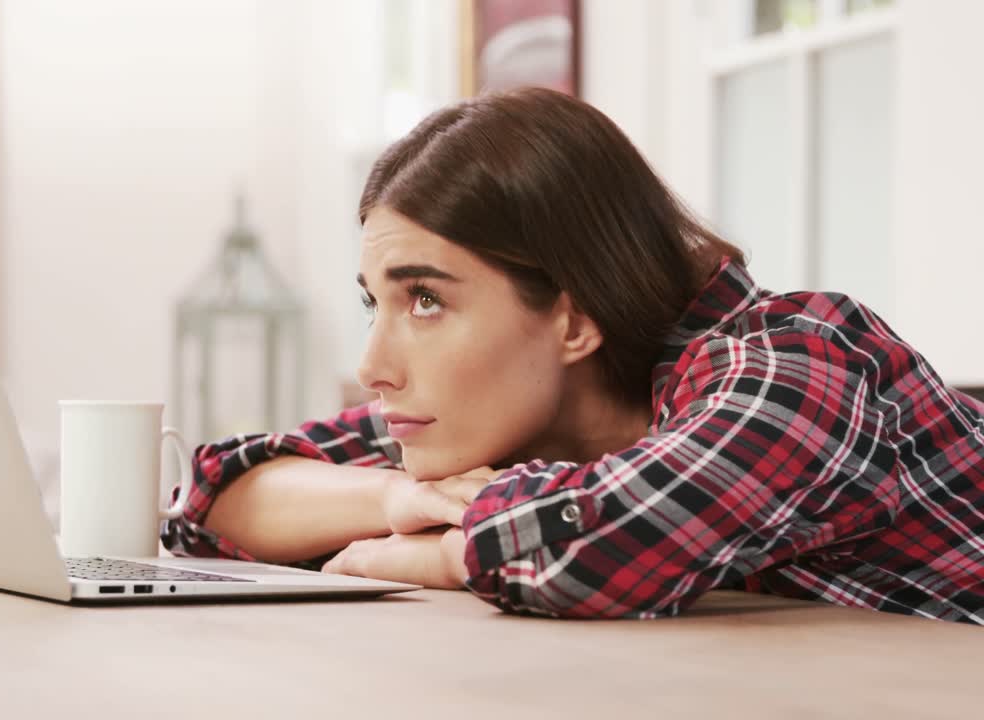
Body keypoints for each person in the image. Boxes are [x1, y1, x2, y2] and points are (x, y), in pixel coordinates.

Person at [162, 87, 984, 623]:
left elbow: (611, 542)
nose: (375, 362)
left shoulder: (800, 365)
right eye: (375, 302)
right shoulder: (509, 417)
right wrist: (395, 502)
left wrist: (445, 551)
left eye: (426, 300)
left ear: (573, 316)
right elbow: (213, 500)